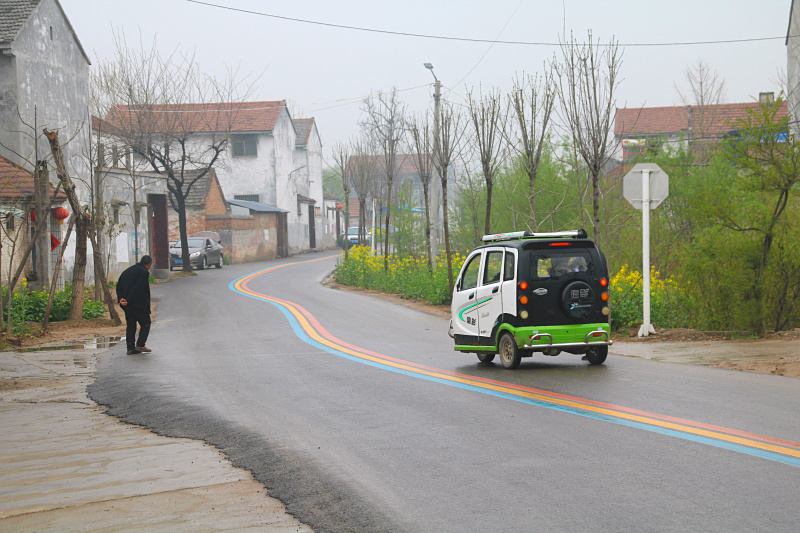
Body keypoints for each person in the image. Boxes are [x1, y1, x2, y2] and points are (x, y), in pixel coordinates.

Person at [116, 255, 153, 355]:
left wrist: (121, 299)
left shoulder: (128, 271)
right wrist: (128, 299)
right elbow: (139, 287)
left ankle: (130, 348)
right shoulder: (144, 272)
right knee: (146, 323)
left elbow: (119, 285)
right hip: (138, 304)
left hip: (126, 305)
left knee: (131, 325)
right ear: (149, 264)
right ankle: (140, 344)